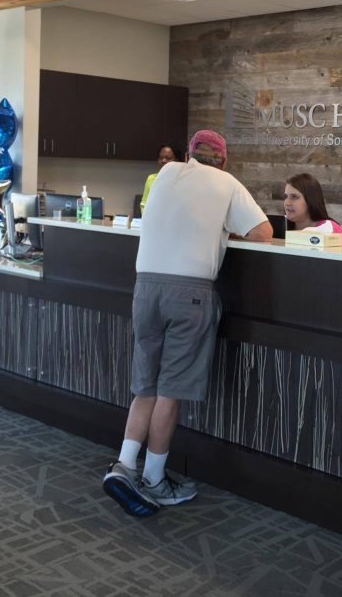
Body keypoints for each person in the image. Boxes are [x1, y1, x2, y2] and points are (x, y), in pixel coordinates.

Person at [103, 129, 272, 517]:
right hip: (190, 293)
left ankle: (124, 464)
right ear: (224, 160)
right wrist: (221, 229)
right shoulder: (228, 183)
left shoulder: (164, 176)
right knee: (170, 391)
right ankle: (155, 480)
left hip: (144, 289)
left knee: (145, 385)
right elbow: (262, 233)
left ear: (189, 155)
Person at [283, 172, 342, 246]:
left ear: (311, 200)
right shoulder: (278, 228)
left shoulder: (330, 229)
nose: (287, 203)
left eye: (294, 197)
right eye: (286, 196)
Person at [139, 145, 177, 213]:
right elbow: (144, 204)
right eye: (160, 158)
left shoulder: (182, 179)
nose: (163, 160)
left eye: (168, 158)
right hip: (154, 220)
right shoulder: (151, 178)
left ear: (176, 160)